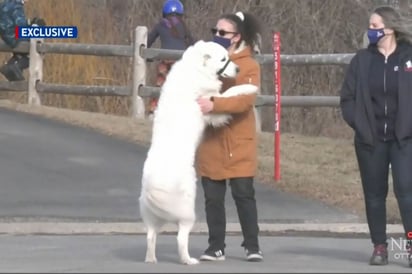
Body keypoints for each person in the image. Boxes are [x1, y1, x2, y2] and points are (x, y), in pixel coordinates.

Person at [340, 5, 412, 267]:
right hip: (370, 141)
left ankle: (411, 241)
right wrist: (360, 124)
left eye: (374, 26)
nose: (370, 31)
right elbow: (347, 98)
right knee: (374, 195)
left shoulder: (408, 58)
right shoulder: (361, 60)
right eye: (369, 26)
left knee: (407, 192)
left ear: (389, 28)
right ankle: (379, 246)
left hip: (404, 140)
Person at [195, 11, 263, 262]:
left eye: (223, 32)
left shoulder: (249, 65)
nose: (217, 36)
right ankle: (215, 246)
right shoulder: (206, 59)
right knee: (213, 198)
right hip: (211, 141)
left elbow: (244, 100)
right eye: (215, 31)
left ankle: (252, 245)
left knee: (243, 195)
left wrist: (215, 104)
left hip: (238, 142)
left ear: (236, 37)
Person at [146, 0, 194, 117]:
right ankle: (184, 113)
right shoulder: (183, 26)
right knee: (183, 87)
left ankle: (153, 111)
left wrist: (148, 55)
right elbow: (192, 43)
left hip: (166, 60)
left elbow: (148, 41)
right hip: (182, 62)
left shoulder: (161, 25)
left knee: (160, 86)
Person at [0, 0, 45, 81]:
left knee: (20, 54)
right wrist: (31, 25)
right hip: (14, 36)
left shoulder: (4, 4)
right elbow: (20, 25)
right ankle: (16, 67)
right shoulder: (17, 6)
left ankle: (9, 65)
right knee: (33, 53)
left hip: (5, 36)